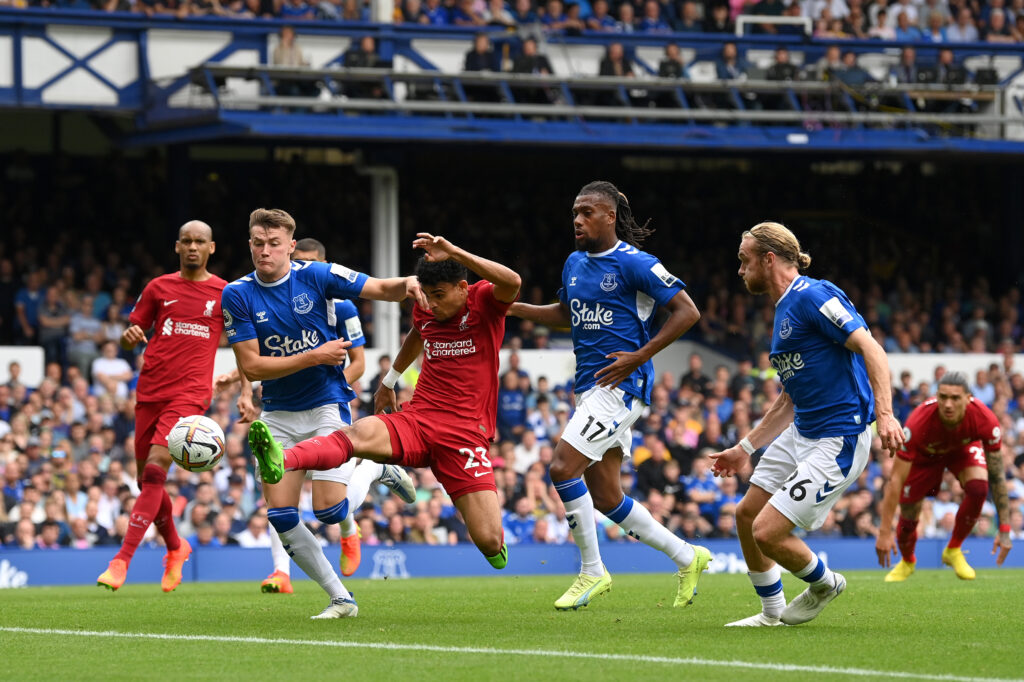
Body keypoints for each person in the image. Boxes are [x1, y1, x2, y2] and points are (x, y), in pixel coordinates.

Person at [247, 232, 522, 586]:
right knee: (356, 432)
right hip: (420, 418)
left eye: (440, 296)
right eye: (428, 297)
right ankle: (284, 459)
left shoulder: (485, 301)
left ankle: (489, 540)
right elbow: (418, 333)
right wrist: (390, 380)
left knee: (487, 540)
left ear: (462, 287)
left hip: (465, 435)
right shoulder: (426, 305)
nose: (432, 305)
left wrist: (452, 250)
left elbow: (512, 281)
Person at [507, 181, 711, 611]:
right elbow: (567, 314)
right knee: (606, 497)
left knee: (562, 467)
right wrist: (516, 310)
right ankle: (687, 555)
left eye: (586, 212)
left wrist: (639, 356)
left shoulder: (636, 263)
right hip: (589, 389)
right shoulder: (574, 263)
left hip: (620, 387)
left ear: (609, 216)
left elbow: (687, 310)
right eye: (574, 214)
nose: (577, 221)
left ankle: (592, 570)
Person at [222, 208, 423, 619]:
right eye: (258, 243)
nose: (265, 251)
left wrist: (410, 283)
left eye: (274, 244)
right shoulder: (236, 294)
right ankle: (341, 598)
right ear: (250, 245)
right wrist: (313, 356)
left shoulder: (316, 275)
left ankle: (371, 470)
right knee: (280, 514)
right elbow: (254, 367)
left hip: (325, 405)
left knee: (330, 511)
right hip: (276, 413)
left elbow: (378, 287)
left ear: (291, 247)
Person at [709, 221, 903, 627]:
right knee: (746, 516)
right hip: (802, 432)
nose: (740, 270)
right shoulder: (781, 314)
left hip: (838, 437)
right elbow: (787, 400)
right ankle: (771, 613)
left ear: (769, 258)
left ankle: (825, 583)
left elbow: (871, 347)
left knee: (767, 531)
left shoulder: (814, 295)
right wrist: (743, 449)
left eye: (744, 261)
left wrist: (885, 414)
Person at [96, 221, 241, 592]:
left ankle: (121, 560)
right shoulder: (158, 288)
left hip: (190, 394)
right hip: (149, 390)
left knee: (157, 471)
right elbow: (133, 337)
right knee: (149, 480)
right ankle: (176, 547)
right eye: (187, 241)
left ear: (212, 247)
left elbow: (247, 345)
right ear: (177, 246)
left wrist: (245, 385)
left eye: (200, 242)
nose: (193, 247)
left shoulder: (226, 293)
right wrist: (129, 339)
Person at [877, 372, 1012, 581]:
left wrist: (1004, 528)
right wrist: (884, 532)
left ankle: (953, 549)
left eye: (955, 398)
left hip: (963, 449)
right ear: (936, 396)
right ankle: (907, 561)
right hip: (925, 457)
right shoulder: (917, 423)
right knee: (909, 515)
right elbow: (895, 481)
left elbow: (997, 476)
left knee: (979, 488)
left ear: (968, 399)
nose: (948, 404)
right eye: (943, 397)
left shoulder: (985, 420)